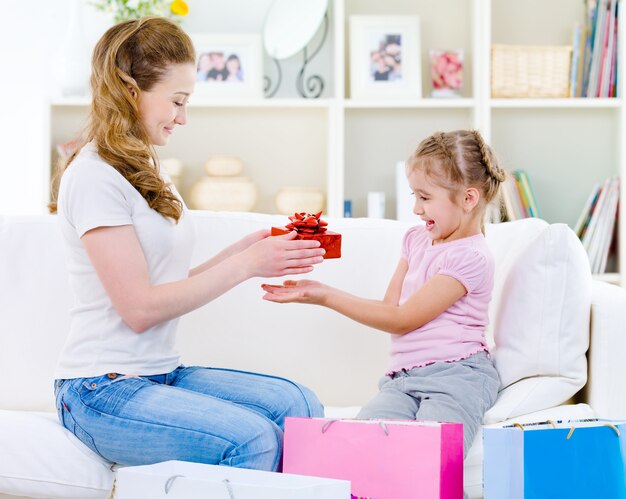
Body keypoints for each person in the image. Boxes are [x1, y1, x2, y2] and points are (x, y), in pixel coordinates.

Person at [51, 16, 325, 471]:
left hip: (158, 374)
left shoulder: (147, 166)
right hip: (97, 389)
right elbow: (139, 309)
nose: (183, 117)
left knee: (299, 406)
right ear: (129, 90)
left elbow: (165, 285)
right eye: (177, 101)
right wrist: (245, 265)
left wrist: (242, 252)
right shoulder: (93, 176)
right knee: (252, 440)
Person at [262, 129, 506, 458]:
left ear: (468, 198)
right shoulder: (416, 240)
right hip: (404, 379)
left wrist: (324, 295)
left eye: (425, 197)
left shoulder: (470, 257)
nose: (417, 209)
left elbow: (403, 320)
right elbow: (390, 307)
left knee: (428, 462)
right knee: (362, 452)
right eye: (414, 196)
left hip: (458, 378)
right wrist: (320, 291)